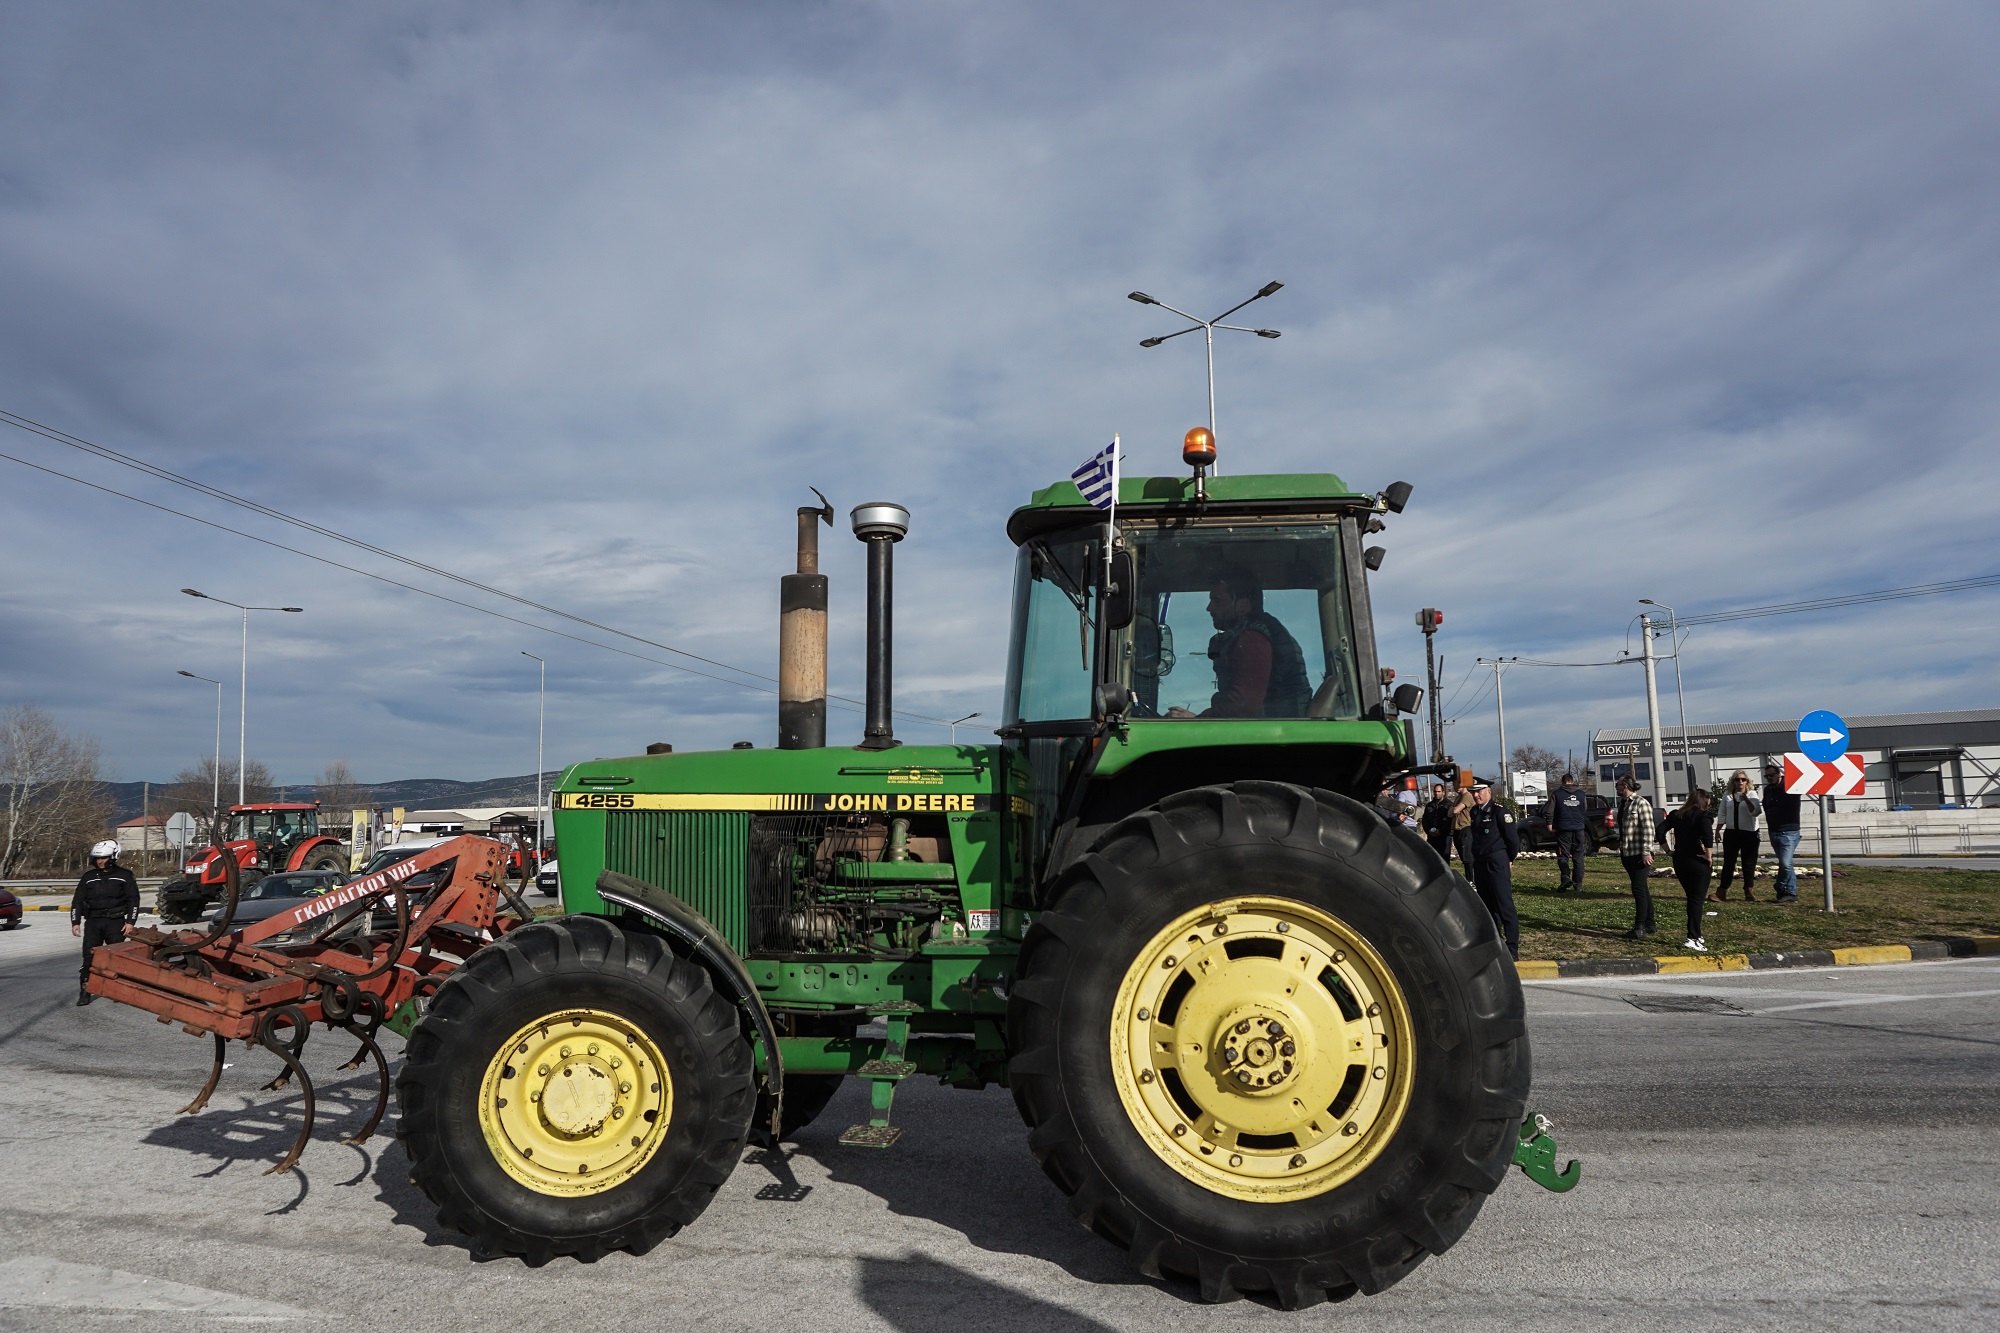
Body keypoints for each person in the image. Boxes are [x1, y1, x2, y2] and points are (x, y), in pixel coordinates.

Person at [1165, 567, 1311, 718]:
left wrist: (1197, 720)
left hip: (1268, 735)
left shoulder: (1252, 638)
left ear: (1242, 605)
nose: (1209, 608)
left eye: (1217, 600)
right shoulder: (1260, 632)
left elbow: (1243, 705)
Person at [71, 839, 140, 1006]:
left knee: (116, 958)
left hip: (116, 922)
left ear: (113, 857)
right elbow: (78, 900)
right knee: (89, 958)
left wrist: (130, 922)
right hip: (93, 922)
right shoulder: (88, 877)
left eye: (104, 858)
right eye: (97, 858)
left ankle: (118, 991)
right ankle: (85, 991)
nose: (100, 861)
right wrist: (75, 921)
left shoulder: (124, 876)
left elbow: (133, 900)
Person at [1465, 781, 1521, 959]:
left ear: (1489, 791)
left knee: (1504, 906)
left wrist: (1508, 859)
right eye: (1474, 793)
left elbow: (1512, 840)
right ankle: (1495, 946)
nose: (1476, 796)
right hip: (1480, 862)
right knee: (1488, 907)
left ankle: (1512, 950)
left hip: (1497, 862)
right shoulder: (1475, 812)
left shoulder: (1500, 812)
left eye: (1479, 792)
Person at [1658, 788, 1716, 952]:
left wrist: (1668, 850)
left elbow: (1660, 831)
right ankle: (1693, 937)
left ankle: (1696, 932)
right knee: (1697, 899)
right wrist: (1709, 856)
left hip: (1680, 860)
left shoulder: (1677, 814)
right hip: (1697, 859)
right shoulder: (1703, 816)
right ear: (1703, 803)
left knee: (1692, 897)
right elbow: (1707, 835)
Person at [1614, 774, 1657, 939]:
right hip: (1628, 852)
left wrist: (1647, 851)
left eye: (1618, 784)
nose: (1616, 787)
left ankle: (1639, 928)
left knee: (1638, 889)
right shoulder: (1624, 804)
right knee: (1642, 888)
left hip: (1640, 853)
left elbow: (1649, 829)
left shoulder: (1641, 803)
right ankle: (1650, 923)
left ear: (1625, 786)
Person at [1714, 770, 1763, 901]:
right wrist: (1718, 830)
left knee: (1748, 863)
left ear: (1747, 781)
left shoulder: (1752, 794)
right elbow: (1722, 813)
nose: (1740, 782)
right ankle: (1722, 891)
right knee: (1728, 862)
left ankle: (1749, 890)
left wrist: (1747, 800)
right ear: (1733, 781)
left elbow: (1756, 812)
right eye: (1737, 779)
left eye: (1743, 779)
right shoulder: (1727, 795)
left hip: (1749, 833)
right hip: (1731, 833)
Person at [1761, 762, 1803, 904]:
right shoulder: (1768, 790)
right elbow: (1765, 806)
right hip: (1774, 831)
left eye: (1772, 775)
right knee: (1787, 863)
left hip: (1789, 831)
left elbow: (1799, 778)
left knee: (1785, 864)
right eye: (1767, 776)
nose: (1769, 778)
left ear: (1780, 774)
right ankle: (1790, 893)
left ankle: (1779, 885)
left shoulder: (1790, 787)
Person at [1546, 773, 1591, 892]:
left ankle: (1565, 878)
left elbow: (1549, 811)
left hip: (1563, 829)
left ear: (1562, 782)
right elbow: (1585, 809)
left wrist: (1550, 825)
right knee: (1578, 857)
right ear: (1572, 781)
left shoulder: (1557, 794)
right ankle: (1578, 884)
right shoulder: (1581, 794)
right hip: (1579, 829)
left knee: (1563, 856)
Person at [1421, 784, 1457, 863]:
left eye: (1439, 791)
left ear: (1443, 792)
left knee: (1444, 860)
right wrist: (1429, 831)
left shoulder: (1449, 805)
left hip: (1444, 836)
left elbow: (1449, 821)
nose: (1437, 793)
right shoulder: (1430, 805)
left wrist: (1440, 831)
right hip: (1431, 836)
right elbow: (1425, 820)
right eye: (1435, 791)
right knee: (1432, 859)